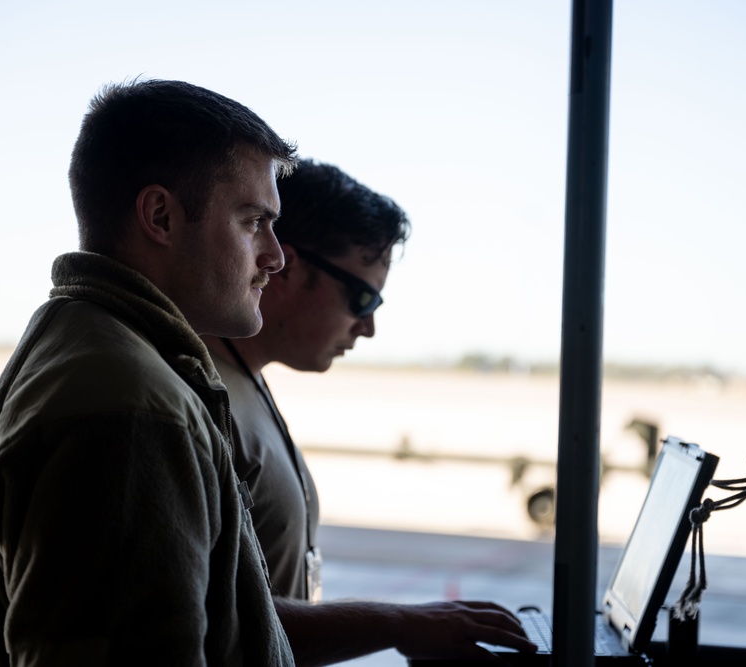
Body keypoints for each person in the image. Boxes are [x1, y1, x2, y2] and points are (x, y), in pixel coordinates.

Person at [0, 79, 299, 666]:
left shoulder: (90, 348)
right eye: (251, 222)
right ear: (160, 215)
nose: (275, 255)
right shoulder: (129, 406)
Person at [201, 158, 536, 665]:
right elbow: (214, 616)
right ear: (287, 268)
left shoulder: (247, 382)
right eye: (361, 297)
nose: (368, 327)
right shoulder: (204, 398)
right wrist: (399, 623)